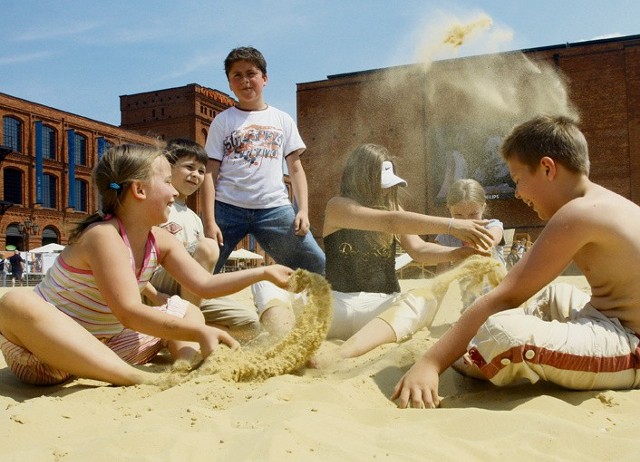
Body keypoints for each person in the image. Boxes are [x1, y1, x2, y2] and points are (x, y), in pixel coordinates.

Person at [393, 115, 640, 409]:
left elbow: (506, 295)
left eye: (518, 180)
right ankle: (474, 339)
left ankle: (470, 352)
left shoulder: (577, 214)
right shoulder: (601, 202)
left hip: (630, 343)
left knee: (504, 335)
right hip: (607, 317)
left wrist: (430, 363)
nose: (518, 193)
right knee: (553, 296)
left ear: (548, 168)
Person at [0, 143, 293, 387]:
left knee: (188, 308)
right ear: (139, 190)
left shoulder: (160, 240)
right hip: (46, 356)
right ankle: (136, 379)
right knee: (13, 303)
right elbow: (129, 312)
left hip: (111, 346)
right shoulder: (104, 236)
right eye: (167, 182)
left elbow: (204, 285)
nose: (175, 193)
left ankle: (183, 368)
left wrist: (264, 272)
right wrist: (197, 332)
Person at [252, 144, 495, 357]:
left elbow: (419, 249)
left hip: (382, 311)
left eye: (388, 187)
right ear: (360, 181)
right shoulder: (338, 206)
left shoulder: (393, 207)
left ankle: (344, 353)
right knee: (266, 281)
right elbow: (391, 222)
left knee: (426, 298)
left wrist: (456, 254)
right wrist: (452, 225)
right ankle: (290, 344)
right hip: (332, 307)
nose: (385, 192)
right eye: (380, 186)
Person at [201, 46, 325, 275]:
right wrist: (209, 220)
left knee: (316, 263)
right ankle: (183, 309)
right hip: (228, 207)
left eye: (251, 73)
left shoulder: (282, 119)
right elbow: (210, 172)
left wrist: (303, 210)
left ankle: (317, 309)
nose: (245, 80)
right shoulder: (222, 121)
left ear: (264, 78)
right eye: (237, 75)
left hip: (274, 208)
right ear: (229, 83)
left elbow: (295, 169)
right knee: (203, 267)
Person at [142, 139, 262, 341]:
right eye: (189, 167)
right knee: (207, 246)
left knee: (250, 323)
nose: (196, 175)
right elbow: (131, 260)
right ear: (169, 167)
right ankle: (189, 332)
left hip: (190, 290)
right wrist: (154, 295)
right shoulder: (154, 206)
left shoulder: (194, 218)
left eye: (201, 171)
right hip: (157, 286)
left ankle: (173, 333)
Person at [435, 178, 506, 311]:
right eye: (458, 215)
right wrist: (430, 314)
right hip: (471, 306)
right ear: (449, 208)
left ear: (483, 207)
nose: (466, 222)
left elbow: (491, 240)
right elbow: (441, 279)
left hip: (501, 302)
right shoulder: (446, 237)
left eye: (473, 214)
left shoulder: (492, 226)